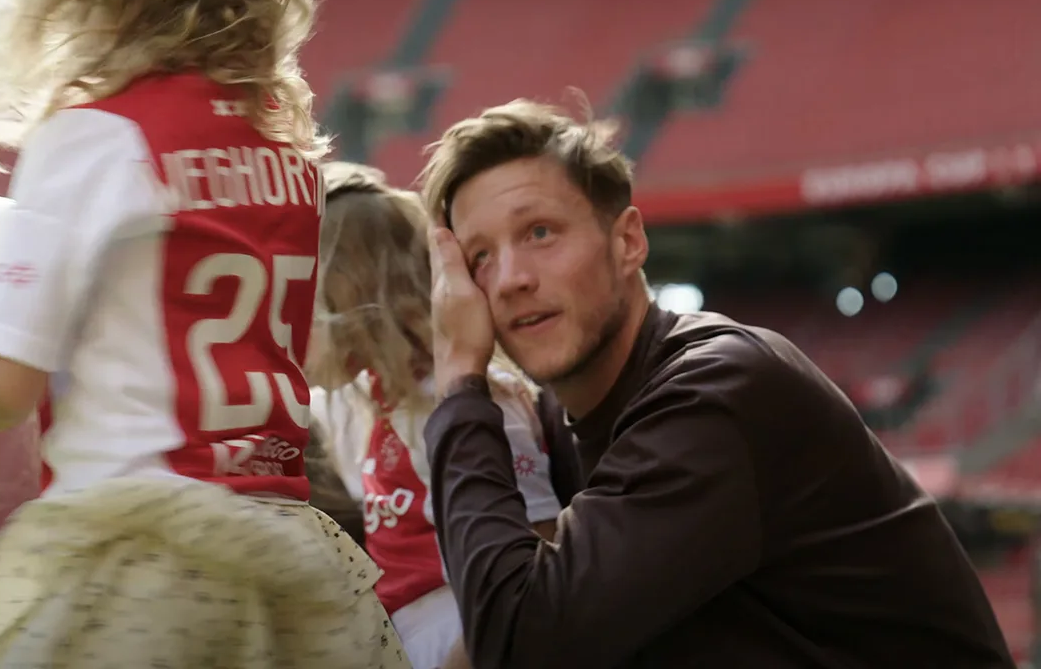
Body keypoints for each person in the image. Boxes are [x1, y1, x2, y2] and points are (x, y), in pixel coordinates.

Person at [0, 0, 409, 667]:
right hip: (288, 551)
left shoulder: (93, 137)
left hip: (143, 552)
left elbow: (1, 393)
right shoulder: (289, 152)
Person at [415, 99, 1014, 668]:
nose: (511, 278)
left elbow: (518, 643)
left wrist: (462, 383)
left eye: (540, 233)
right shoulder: (558, 422)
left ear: (627, 242)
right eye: (479, 258)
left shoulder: (717, 389)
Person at [305, 162, 565, 669]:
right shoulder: (365, 403)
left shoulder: (473, 404)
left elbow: (540, 564)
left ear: (350, 299)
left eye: (300, 301)